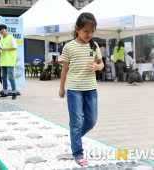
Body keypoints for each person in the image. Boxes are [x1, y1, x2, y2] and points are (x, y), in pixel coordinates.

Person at [59, 12, 104, 166]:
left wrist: (97, 66)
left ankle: (74, 138)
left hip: (91, 89)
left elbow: (101, 63)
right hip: (74, 89)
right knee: (76, 122)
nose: (89, 35)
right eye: (86, 32)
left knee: (91, 121)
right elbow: (64, 69)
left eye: (92, 32)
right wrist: (61, 88)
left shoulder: (94, 45)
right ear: (77, 29)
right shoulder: (69, 46)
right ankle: (78, 153)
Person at [0, 24, 18, 100]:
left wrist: (4, 49)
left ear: (6, 29)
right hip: (3, 61)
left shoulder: (11, 38)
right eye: (0, 30)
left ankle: (14, 92)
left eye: (2, 30)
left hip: (9, 61)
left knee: (11, 77)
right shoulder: (1, 39)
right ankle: (5, 93)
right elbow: (2, 48)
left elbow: (15, 47)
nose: (1, 31)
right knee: (3, 77)